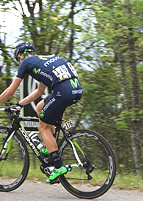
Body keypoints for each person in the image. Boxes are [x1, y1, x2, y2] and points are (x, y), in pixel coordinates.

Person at [0, 42, 82, 183]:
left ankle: (57, 166)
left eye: (19, 57)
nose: (20, 60)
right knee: (39, 107)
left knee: (42, 126)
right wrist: (19, 104)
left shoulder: (26, 62)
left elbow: (10, 91)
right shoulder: (43, 62)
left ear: (22, 55)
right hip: (76, 90)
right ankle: (49, 147)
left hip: (63, 92)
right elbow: (39, 91)